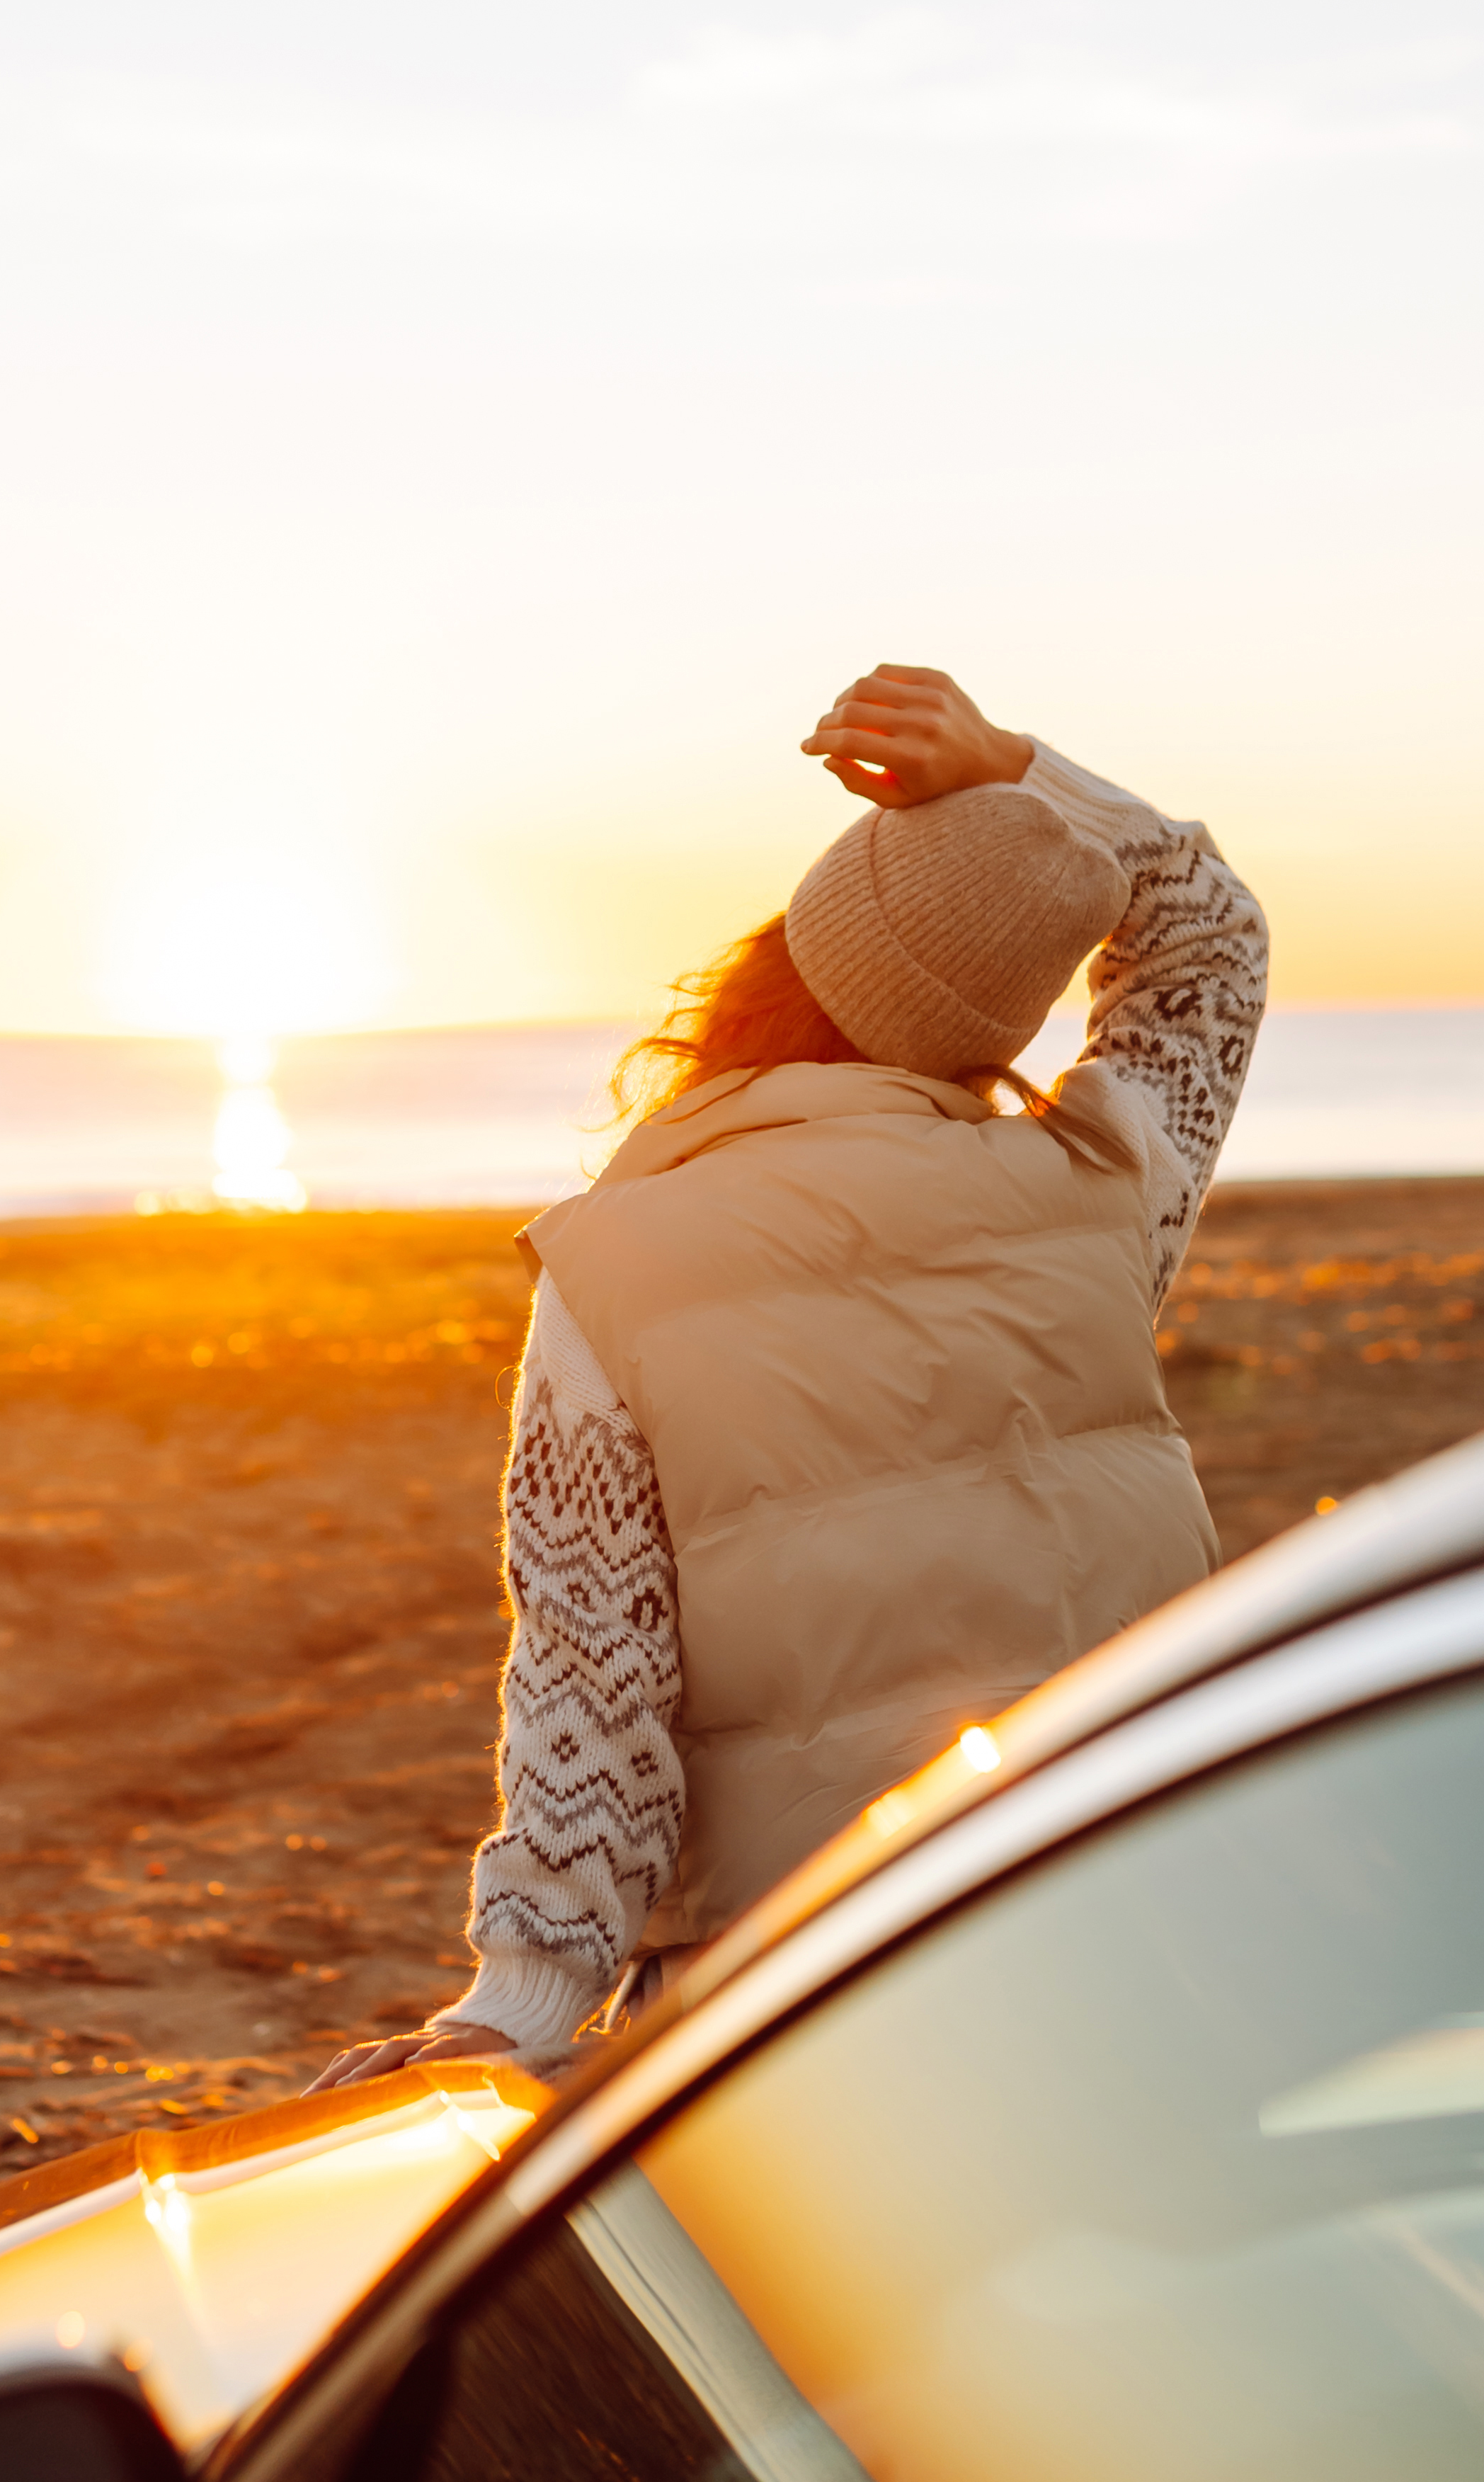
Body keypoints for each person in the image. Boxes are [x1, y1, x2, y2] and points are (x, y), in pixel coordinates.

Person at [316, 661, 1268, 2087]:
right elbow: (1213, 952)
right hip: (1129, 1933)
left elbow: (593, 1673)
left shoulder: (618, 1266)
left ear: (785, 958)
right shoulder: (1095, 1194)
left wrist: (522, 2000)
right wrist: (1018, 770)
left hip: (797, 1995)